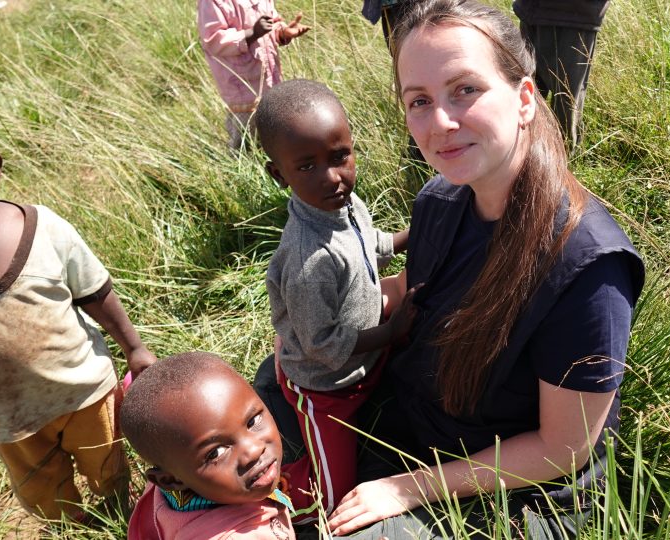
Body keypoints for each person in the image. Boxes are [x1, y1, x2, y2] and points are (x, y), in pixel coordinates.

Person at [272, 0, 639, 536]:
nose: (440, 122)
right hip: (419, 423)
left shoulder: (588, 268)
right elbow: (410, 291)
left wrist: (408, 488)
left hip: (516, 489)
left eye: (465, 89)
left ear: (524, 98)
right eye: (418, 100)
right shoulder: (441, 201)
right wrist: (313, 319)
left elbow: (564, 448)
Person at [0, 88, 157, 522]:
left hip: (85, 393)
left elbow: (93, 290)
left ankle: (122, 518)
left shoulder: (42, 228)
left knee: (109, 472)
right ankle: (74, 529)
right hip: (6, 418)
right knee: (46, 498)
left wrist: (134, 348)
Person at [254, 79, 418, 524]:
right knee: (334, 490)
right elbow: (321, 346)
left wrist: (414, 233)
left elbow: (370, 242)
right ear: (278, 174)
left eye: (339, 156)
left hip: (364, 354)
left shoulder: (343, 203)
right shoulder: (308, 259)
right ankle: (296, 515)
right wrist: (392, 330)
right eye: (306, 166)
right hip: (324, 387)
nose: (331, 176)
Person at [121, 352, 295, 539]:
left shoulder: (177, 465)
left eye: (253, 421)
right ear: (170, 481)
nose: (253, 450)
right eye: (215, 453)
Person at [198, 0, 310, 149]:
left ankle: (276, 163)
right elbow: (213, 40)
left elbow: (272, 23)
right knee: (245, 139)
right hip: (242, 88)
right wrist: (252, 33)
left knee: (275, 129)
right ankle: (242, 166)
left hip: (270, 78)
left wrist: (282, 32)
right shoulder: (212, 2)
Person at [513, 0, 611, 145]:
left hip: (576, 16)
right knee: (526, 87)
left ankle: (561, 159)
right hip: (532, 10)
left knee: (566, 100)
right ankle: (524, 152)